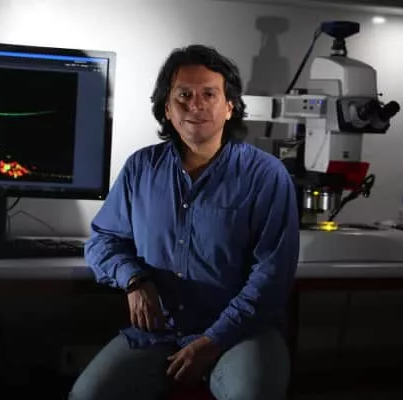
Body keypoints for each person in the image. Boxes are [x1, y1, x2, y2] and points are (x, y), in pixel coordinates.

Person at [69, 44, 299, 400]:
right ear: (167, 107)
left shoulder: (265, 174)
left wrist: (214, 339)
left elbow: (272, 274)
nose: (196, 105)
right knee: (88, 396)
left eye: (209, 94)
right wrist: (134, 279)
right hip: (158, 333)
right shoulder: (140, 168)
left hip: (241, 333)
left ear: (229, 106)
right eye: (184, 95)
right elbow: (103, 239)